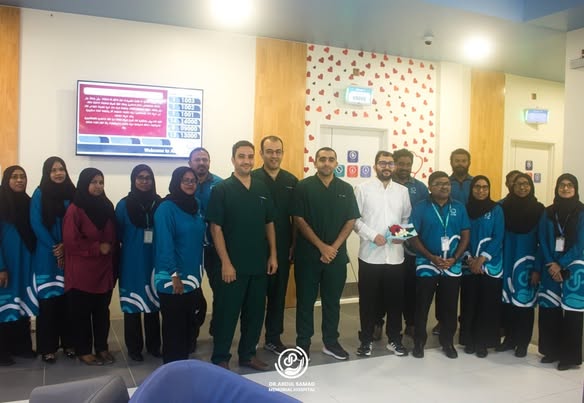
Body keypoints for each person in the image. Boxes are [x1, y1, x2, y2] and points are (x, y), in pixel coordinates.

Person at [207, 140, 278, 371]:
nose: (246, 161)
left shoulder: (261, 188)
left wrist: (273, 255)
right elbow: (216, 229)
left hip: (258, 264)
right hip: (232, 267)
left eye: (249, 156)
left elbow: (269, 222)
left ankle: (248, 355)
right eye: (241, 156)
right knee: (227, 314)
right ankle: (221, 357)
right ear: (233, 160)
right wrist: (226, 263)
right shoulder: (222, 189)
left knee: (255, 314)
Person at [292, 147, 360, 360]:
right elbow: (298, 219)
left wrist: (333, 248)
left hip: (335, 257)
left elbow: (351, 220)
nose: (326, 163)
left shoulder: (345, 189)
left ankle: (330, 342)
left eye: (331, 159)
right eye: (322, 159)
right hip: (308, 256)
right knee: (305, 302)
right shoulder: (303, 187)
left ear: (336, 163)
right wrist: (322, 247)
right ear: (315, 162)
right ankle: (303, 344)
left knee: (332, 302)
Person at [354, 151, 411, 357]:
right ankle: (366, 340)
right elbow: (355, 220)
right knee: (368, 302)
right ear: (375, 166)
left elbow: (406, 218)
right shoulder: (362, 189)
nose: (386, 166)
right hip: (370, 256)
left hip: (395, 256)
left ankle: (395, 339)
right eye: (382, 163)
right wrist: (372, 235)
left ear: (394, 166)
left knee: (395, 301)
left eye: (390, 163)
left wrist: (402, 235)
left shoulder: (402, 191)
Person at [409, 171, 470, 359]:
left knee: (449, 306)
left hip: (452, 265)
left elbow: (465, 234)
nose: (444, 187)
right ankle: (419, 342)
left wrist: (455, 258)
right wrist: (430, 256)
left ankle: (447, 341)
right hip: (426, 263)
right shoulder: (420, 207)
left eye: (447, 184)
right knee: (422, 305)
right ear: (430, 187)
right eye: (439, 183)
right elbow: (412, 235)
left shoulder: (459, 207)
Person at [63, 168, 117, 366]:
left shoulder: (107, 206)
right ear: (84, 183)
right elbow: (70, 242)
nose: (98, 186)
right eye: (93, 182)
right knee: (82, 314)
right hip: (82, 271)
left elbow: (114, 233)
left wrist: (110, 247)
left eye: (101, 182)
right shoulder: (75, 209)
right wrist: (97, 247)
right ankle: (84, 350)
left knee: (102, 313)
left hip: (103, 270)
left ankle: (102, 347)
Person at [154, 166, 205, 364]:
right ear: (177, 182)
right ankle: (172, 367)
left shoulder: (195, 205)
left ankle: (183, 364)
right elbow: (164, 243)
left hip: (192, 276)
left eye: (193, 180)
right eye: (185, 180)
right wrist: (174, 275)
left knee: (188, 323)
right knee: (174, 326)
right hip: (172, 278)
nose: (190, 184)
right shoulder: (166, 208)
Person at [252, 136, 298, 355]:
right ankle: (250, 338)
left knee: (278, 296)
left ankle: (273, 338)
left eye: (278, 151)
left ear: (282, 153)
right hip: (255, 248)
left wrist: (293, 245)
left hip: (282, 248)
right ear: (261, 153)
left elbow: (296, 218)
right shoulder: (252, 178)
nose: (274, 156)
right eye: (269, 151)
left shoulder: (291, 181)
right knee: (254, 297)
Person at [30, 157, 76, 363]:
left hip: (70, 254)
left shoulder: (73, 193)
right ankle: (47, 348)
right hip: (46, 257)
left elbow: (77, 222)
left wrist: (66, 245)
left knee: (68, 303)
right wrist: (56, 248)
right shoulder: (39, 194)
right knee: (48, 304)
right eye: (53, 170)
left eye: (61, 169)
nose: (58, 173)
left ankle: (69, 344)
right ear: (47, 173)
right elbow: (36, 223)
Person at [537, 174, 584, 371]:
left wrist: (561, 264)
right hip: (550, 264)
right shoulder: (548, 212)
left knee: (572, 312)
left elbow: (581, 243)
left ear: (576, 188)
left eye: (569, 185)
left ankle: (569, 357)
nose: (565, 188)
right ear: (556, 188)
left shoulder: (582, 211)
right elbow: (542, 239)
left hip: (574, 266)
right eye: (562, 185)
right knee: (550, 308)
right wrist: (551, 263)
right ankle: (551, 351)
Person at [115, 165, 162, 362]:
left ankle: (154, 346)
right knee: (132, 305)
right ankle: (134, 348)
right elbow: (117, 234)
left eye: (148, 177)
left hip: (154, 260)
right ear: (133, 180)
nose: (144, 181)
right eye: (140, 177)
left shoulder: (160, 203)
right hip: (131, 262)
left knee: (153, 304)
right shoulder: (123, 205)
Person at [498, 173, 544, 358]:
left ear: (531, 186)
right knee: (508, 302)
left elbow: (543, 242)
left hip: (527, 264)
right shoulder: (503, 208)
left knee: (525, 303)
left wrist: (538, 269)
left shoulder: (539, 210)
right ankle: (509, 339)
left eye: (526, 184)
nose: (522, 187)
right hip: (507, 260)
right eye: (518, 184)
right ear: (512, 186)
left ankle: (523, 342)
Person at [459, 175, 504, 358]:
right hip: (469, 264)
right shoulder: (464, 209)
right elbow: (461, 235)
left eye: (485, 187)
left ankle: (483, 342)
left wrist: (482, 259)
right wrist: (470, 258)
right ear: (472, 189)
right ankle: (469, 340)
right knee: (469, 303)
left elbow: (498, 236)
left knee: (487, 304)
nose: (481, 190)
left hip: (490, 265)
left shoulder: (496, 209)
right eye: (477, 187)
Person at [0, 166, 37, 365]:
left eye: (22, 176)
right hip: (7, 264)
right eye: (14, 177)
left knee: (22, 305)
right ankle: (2, 351)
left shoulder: (28, 203)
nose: (19, 180)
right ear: (7, 180)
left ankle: (21, 347)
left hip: (25, 264)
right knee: (4, 307)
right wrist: (1, 267)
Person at [392, 148, 429, 338]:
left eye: (408, 164)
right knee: (388, 288)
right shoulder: (386, 183)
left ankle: (411, 323)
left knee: (411, 287)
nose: (405, 168)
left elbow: (422, 216)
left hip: (412, 248)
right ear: (394, 164)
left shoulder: (420, 188)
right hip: (388, 245)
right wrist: (396, 236)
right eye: (401, 164)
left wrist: (407, 237)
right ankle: (378, 323)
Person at [188, 147, 221, 340]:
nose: (201, 163)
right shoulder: (183, 183)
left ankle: (217, 329)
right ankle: (191, 332)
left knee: (220, 291)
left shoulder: (220, 185)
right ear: (189, 163)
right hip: (190, 250)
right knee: (192, 292)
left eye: (205, 159)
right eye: (197, 159)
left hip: (215, 249)